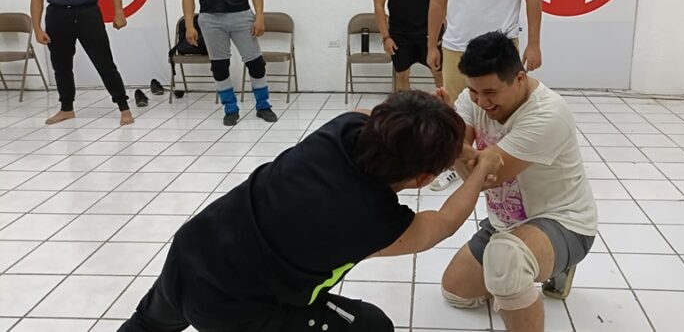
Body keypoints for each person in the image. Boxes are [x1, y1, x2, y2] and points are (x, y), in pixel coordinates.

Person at [117, 90, 502, 332]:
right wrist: (479, 169)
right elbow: (442, 224)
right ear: (422, 179)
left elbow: (378, 116)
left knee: (148, 324)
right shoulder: (377, 222)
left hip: (192, 249)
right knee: (371, 326)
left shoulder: (342, 130)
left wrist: (439, 131)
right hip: (234, 310)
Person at [438, 32, 597, 332]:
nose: (481, 102)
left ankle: (551, 261)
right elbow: (466, 169)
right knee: (455, 292)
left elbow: (484, 178)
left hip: (564, 222)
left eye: (491, 92)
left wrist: (449, 138)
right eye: (473, 91)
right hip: (505, 222)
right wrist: (449, 130)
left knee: (507, 260)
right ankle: (527, 265)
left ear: (520, 78)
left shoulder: (547, 114)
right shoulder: (472, 99)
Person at [426, 0, 543, 191]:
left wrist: (534, 43)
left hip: (499, 51)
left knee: (503, 108)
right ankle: (455, 165)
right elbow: (438, 0)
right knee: (455, 112)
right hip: (456, 48)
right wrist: (431, 44)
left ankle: (503, 164)